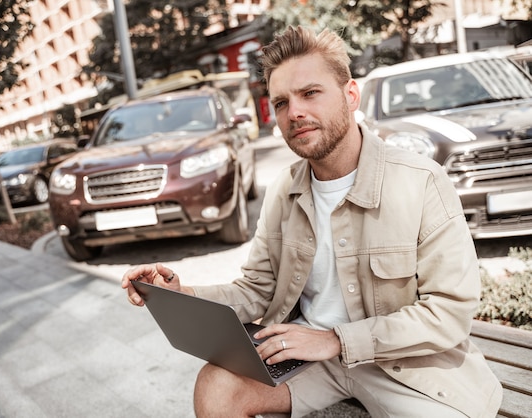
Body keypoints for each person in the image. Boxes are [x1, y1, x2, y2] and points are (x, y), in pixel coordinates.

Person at [122, 26, 503, 418]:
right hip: (310, 362)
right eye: (282, 102)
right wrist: (182, 292)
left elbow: (449, 312)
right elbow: (257, 289)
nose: (295, 112)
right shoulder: (283, 190)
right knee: (215, 387)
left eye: (310, 93)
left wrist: (336, 339)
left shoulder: (420, 181)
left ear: (350, 95)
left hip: (405, 365)